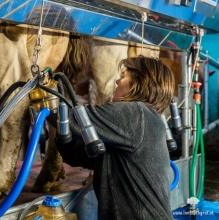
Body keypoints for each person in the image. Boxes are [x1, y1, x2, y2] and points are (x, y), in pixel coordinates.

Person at [47, 55, 175, 219]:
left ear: (137, 84)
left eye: (123, 77)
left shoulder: (136, 113)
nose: (117, 81)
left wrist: (43, 99)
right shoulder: (139, 123)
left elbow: (73, 119)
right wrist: (63, 137)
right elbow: (77, 155)